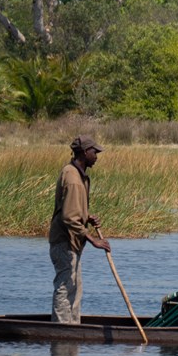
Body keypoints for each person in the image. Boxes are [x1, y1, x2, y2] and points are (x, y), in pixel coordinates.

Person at [49, 135, 110, 324]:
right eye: (94, 152)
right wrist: (93, 240)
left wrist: (86, 216)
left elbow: (72, 209)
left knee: (75, 287)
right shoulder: (73, 178)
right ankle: (61, 330)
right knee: (65, 287)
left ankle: (72, 328)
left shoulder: (77, 174)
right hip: (64, 242)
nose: (97, 156)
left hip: (72, 243)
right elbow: (68, 217)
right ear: (85, 152)